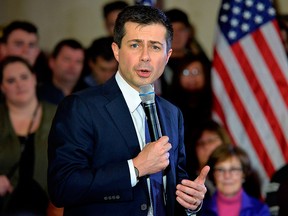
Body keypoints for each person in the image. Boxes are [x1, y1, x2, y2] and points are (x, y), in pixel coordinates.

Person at [48, 5, 210, 216]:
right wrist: (135, 168)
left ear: (167, 55)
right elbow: (63, 187)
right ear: (116, 50)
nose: (145, 57)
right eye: (135, 45)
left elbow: (172, 187)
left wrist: (191, 201)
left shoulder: (172, 113)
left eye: (154, 47)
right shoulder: (81, 107)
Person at [0, 56, 57, 215]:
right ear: (2, 87)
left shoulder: (60, 114)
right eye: (11, 80)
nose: (19, 85)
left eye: (24, 77)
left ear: (34, 78)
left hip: (52, 205)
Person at [200, 144, 270, 216]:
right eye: (220, 170)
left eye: (233, 169)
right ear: (213, 174)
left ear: (243, 174)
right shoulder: (200, 210)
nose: (227, 176)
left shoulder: (260, 210)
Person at [1, 20, 50, 85]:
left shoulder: (48, 83)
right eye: (19, 44)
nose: (26, 50)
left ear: (37, 52)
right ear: (3, 49)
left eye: (31, 45)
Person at [37, 39, 86, 105]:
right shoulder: (37, 94)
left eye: (78, 61)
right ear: (52, 62)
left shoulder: (89, 94)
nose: (72, 66)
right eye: (67, 59)